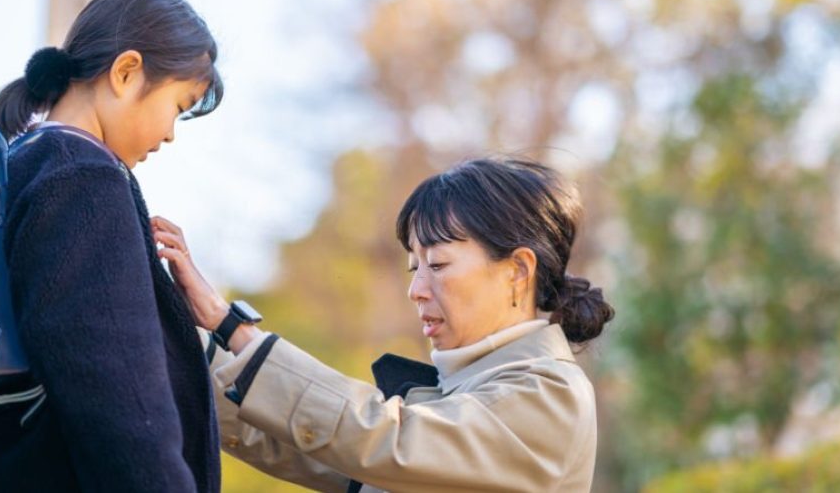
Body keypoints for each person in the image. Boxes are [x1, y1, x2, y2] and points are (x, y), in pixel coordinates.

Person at [154, 158, 615, 492]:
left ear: (517, 270)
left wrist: (231, 325)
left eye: (438, 264)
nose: (416, 289)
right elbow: (305, 445)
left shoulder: (549, 394)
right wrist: (172, 339)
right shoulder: (462, 390)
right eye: (414, 267)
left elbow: (382, 437)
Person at [0, 0, 223, 491]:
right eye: (178, 106)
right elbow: (121, 400)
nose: (171, 134)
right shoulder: (83, 179)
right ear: (127, 72)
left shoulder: (26, 159)